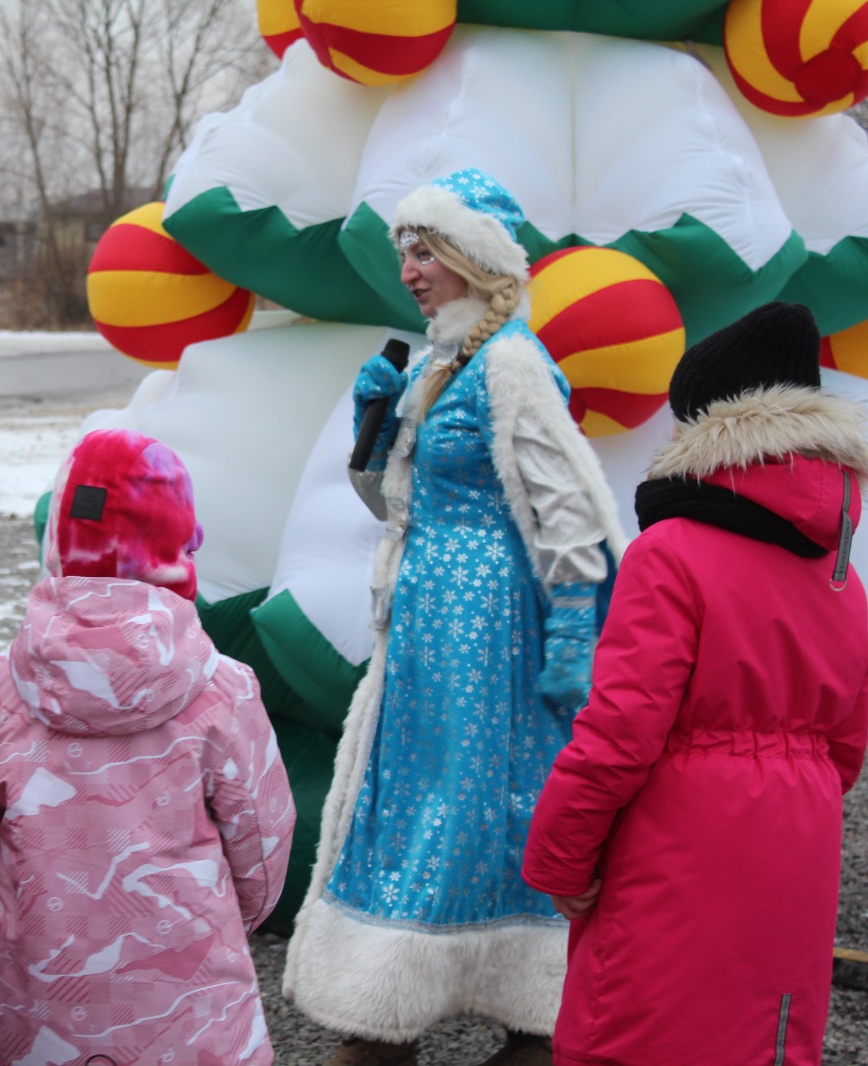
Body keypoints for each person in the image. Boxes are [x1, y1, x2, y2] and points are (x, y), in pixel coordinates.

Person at [282, 169, 630, 1066]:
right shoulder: (441, 364)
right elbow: (398, 504)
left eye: (425, 249)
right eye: (405, 250)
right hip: (428, 628)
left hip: (495, 631)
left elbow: (574, 511)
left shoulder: (511, 362)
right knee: (413, 801)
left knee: (481, 804)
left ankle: (516, 1006)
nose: (410, 267)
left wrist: (572, 638)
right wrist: (373, 421)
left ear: (475, 258)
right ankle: (391, 997)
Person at [522, 302, 868, 1066]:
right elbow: (847, 751)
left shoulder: (671, 553)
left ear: (705, 430)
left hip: (678, 844)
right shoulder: (843, 578)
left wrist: (560, 858)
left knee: (642, 1032)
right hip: (797, 845)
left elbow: (619, 736)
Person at [0, 428, 296, 1064]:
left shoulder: (1, 684)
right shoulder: (223, 688)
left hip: (40, 985)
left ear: (59, 539)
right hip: (188, 999)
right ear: (181, 542)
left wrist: (31, 891)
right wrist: (224, 913)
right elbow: (261, 842)